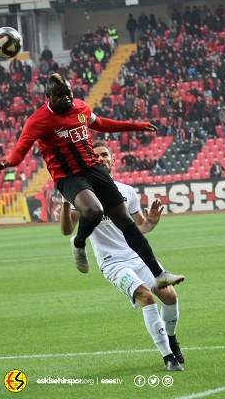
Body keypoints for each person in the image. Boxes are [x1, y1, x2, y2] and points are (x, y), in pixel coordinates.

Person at [0, 73, 183, 288]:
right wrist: (6, 162)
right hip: (68, 176)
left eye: (68, 93)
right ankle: (78, 243)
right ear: (48, 96)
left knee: (125, 222)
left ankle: (159, 274)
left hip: (94, 169)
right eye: (60, 95)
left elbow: (101, 124)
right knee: (94, 211)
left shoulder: (80, 107)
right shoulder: (37, 121)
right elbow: (19, 153)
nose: (66, 98)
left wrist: (136, 126)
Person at [60, 141, 184, 372]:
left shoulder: (126, 191)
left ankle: (172, 339)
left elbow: (140, 228)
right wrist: (65, 205)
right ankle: (168, 357)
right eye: (96, 156)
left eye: (105, 154)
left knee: (170, 296)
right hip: (113, 263)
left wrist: (152, 222)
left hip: (138, 258)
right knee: (146, 296)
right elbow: (68, 230)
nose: (101, 159)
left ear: (113, 160)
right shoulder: (83, 195)